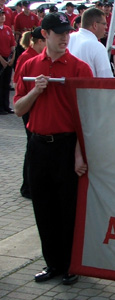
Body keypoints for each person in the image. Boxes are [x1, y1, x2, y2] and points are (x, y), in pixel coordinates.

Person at [13, 12, 93, 286]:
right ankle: (53, 264)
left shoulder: (80, 68)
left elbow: (88, 116)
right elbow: (17, 109)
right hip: (38, 145)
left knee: (68, 209)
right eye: (59, 33)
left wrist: (80, 153)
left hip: (67, 146)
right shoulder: (29, 65)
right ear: (45, 34)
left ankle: (72, 265)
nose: (65, 37)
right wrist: (35, 91)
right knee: (44, 208)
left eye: (67, 32)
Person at [13, 27, 45, 199]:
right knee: (31, 146)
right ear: (40, 41)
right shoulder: (27, 57)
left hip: (33, 105)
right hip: (28, 105)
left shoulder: (34, 56)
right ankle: (27, 186)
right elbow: (18, 81)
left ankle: (29, 185)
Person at [68, 8, 113, 78]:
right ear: (95, 25)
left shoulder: (69, 38)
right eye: (104, 24)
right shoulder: (98, 47)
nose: (106, 27)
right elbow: (106, 80)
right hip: (88, 88)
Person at [0, 8, 15, 115]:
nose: (3, 17)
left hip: (8, 58)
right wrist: (2, 61)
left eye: (3, 15)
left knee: (6, 84)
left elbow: (13, 45)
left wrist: (12, 58)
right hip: (0, 60)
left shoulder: (8, 29)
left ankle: (6, 106)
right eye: (1, 15)